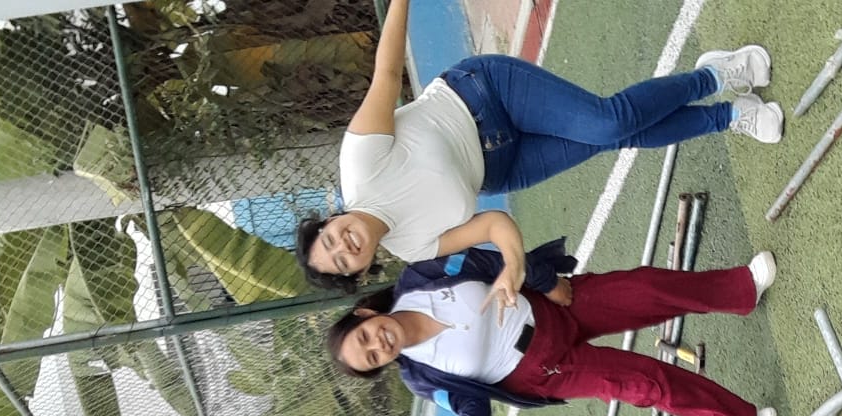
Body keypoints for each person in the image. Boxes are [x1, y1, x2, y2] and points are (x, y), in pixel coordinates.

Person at [294, 0, 783, 302]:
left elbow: (385, 75)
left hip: (485, 95)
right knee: (619, 137)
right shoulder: (411, 249)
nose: (344, 247)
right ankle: (730, 116)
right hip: (502, 167)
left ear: (332, 220)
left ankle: (715, 75)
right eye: (342, 263)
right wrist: (513, 265)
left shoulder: (360, 163)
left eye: (330, 239)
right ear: (360, 272)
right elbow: (492, 224)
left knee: (608, 121)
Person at [326, 238, 780, 416]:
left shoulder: (419, 278)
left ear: (365, 314)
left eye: (365, 337)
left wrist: (546, 283)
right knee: (645, 383)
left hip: (552, 304)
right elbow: (471, 405)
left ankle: (740, 289)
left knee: (646, 288)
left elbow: (490, 260)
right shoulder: (421, 378)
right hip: (547, 369)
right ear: (382, 367)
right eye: (372, 358)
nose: (378, 345)